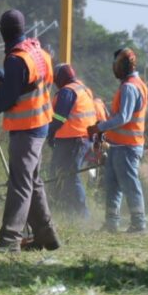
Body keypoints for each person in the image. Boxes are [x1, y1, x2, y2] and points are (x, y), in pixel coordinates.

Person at [0, 9, 61, 253]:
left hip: (27, 128)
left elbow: (11, 93)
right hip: (41, 124)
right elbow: (22, 82)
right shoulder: (38, 53)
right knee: (33, 181)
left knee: (20, 184)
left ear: (3, 31)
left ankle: (10, 239)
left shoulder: (15, 59)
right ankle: (46, 235)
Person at [87, 48, 148, 234]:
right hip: (118, 145)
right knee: (112, 185)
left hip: (127, 147)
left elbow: (123, 117)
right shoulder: (134, 84)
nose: (114, 68)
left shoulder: (129, 87)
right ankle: (111, 223)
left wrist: (100, 127)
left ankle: (138, 224)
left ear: (122, 65)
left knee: (130, 185)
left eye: (116, 64)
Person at [47, 63, 97, 219]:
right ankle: (64, 210)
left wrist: (49, 133)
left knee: (69, 175)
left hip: (74, 140)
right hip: (83, 139)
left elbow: (60, 117)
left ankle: (83, 215)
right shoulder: (84, 89)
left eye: (56, 79)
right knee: (61, 173)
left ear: (61, 78)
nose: (55, 83)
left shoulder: (67, 91)